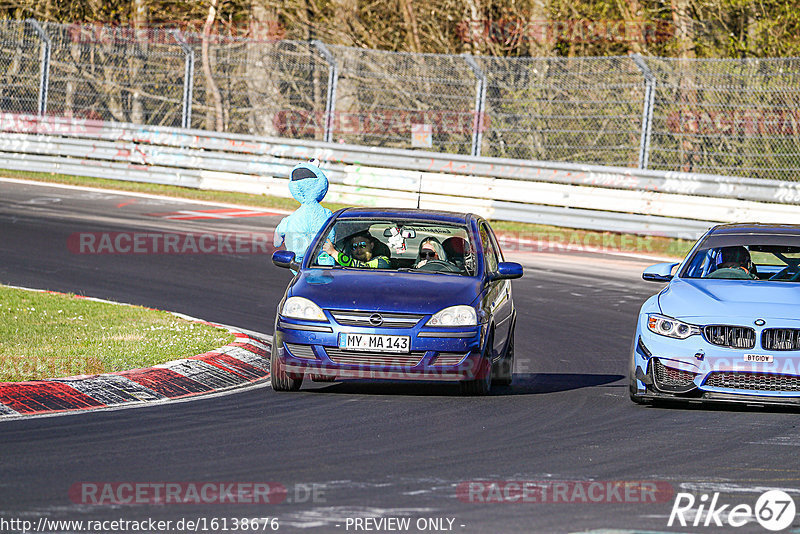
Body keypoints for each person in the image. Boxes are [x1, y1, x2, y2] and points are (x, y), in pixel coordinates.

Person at [323, 232, 390, 268]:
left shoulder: (383, 261)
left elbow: (364, 267)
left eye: (362, 245)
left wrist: (334, 253)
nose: (358, 250)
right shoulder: (345, 264)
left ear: (371, 245)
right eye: (354, 247)